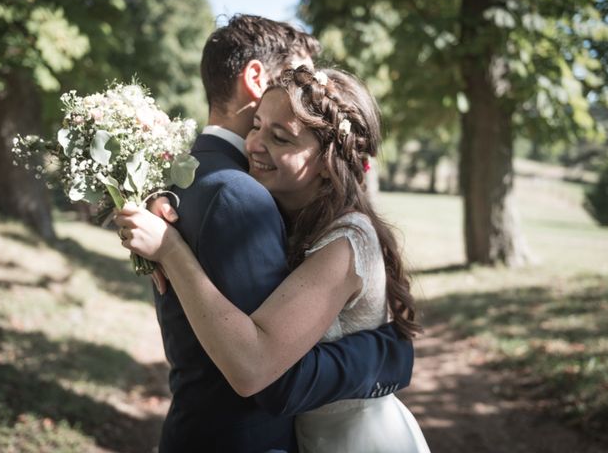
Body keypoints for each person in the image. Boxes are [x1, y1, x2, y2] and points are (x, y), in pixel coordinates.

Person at [116, 64, 430, 452]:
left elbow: (254, 368)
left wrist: (171, 249)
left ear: (329, 163)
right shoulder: (286, 212)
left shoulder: (347, 241)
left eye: (280, 138)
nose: (254, 144)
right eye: (256, 125)